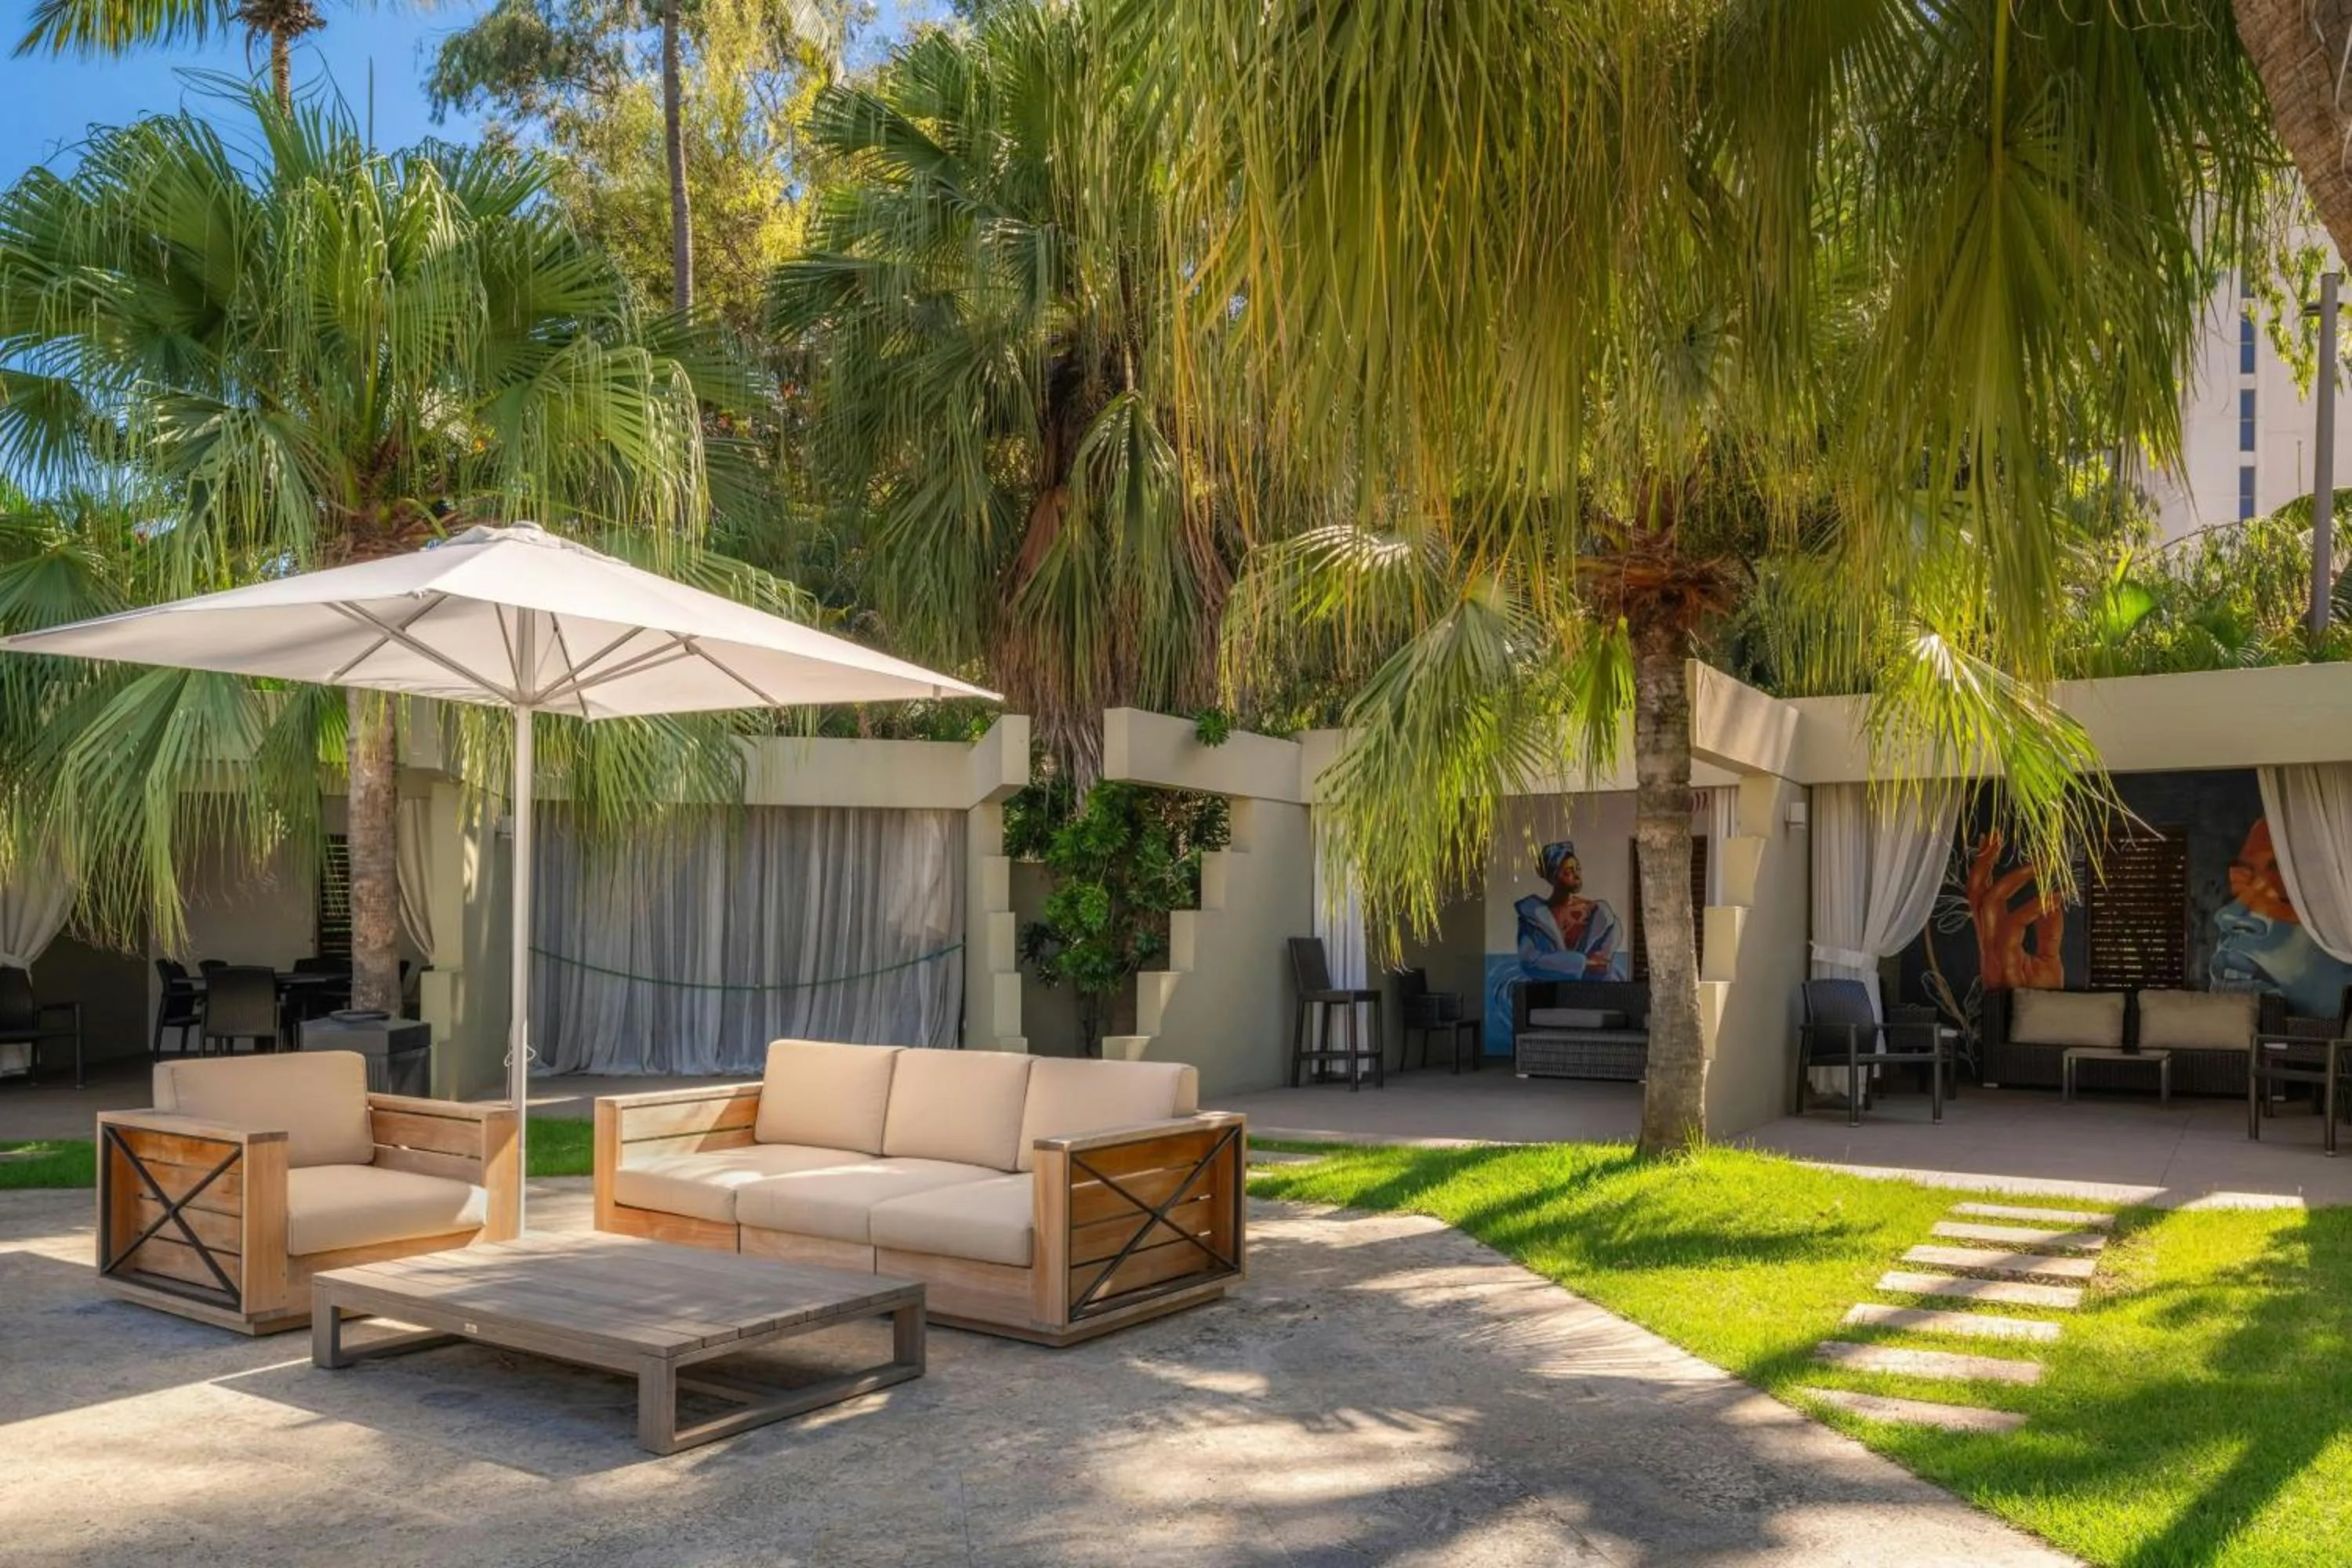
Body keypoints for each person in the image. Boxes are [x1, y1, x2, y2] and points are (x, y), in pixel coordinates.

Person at [1513, 840, 1627, 982]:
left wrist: (1556, 965)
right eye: (1568, 872)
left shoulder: (1600, 914)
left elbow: (1601, 965)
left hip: (1596, 994)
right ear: (1553, 877)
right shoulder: (1532, 917)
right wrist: (1582, 964)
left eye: (1578, 869)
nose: (1577, 876)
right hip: (1550, 996)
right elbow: (1530, 962)